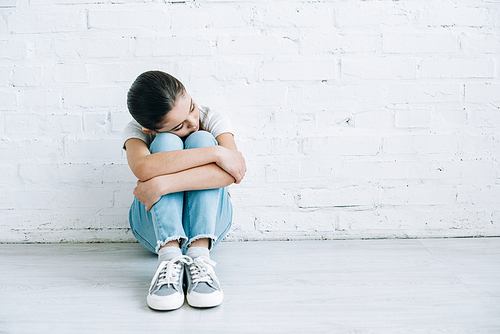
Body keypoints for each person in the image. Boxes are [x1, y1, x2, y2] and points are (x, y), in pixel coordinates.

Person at [122, 71, 246, 311]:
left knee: (201, 138)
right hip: (154, 231)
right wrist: (216, 154)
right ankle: (169, 259)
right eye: (180, 125)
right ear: (149, 129)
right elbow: (143, 167)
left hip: (210, 226)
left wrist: (161, 185)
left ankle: (200, 255)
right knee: (167, 142)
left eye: (192, 107)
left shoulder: (212, 118)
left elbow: (235, 171)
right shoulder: (136, 130)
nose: (193, 121)